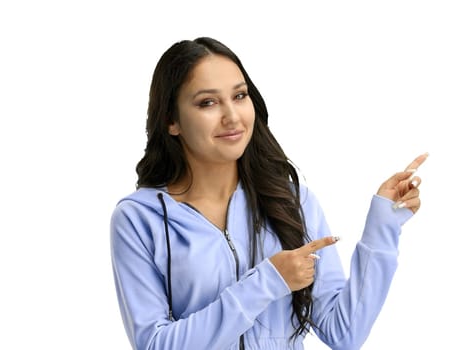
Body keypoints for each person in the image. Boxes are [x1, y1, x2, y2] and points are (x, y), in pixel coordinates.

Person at [110, 36, 428, 350]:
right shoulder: (140, 218)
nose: (232, 116)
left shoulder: (291, 201)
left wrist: (383, 226)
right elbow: (155, 344)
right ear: (171, 121)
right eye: (207, 102)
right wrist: (268, 281)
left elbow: (344, 333)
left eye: (239, 96)